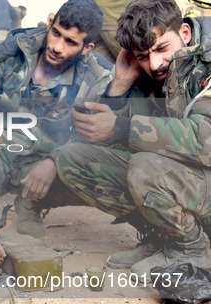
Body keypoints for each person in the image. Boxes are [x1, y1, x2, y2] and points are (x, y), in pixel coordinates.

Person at [57, 0, 211, 283]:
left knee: (145, 167)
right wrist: (120, 84)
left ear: (185, 33)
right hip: (189, 180)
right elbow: (98, 141)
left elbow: (206, 140)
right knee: (74, 158)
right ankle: (166, 236)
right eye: (142, 56)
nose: (154, 64)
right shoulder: (150, 72)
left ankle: (194, 250)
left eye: (162, 49)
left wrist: (122, 128)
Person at [0, 0, 112, 238]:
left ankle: (31, 204)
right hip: (2, 149)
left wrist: (56, 160)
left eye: (70, 42)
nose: (57, 46)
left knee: (99, 166)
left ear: (86, 48)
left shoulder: (97, 77)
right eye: (56, 33)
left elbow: (96, 138)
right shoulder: (12, 51)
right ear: (50, 21)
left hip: (50, 159)